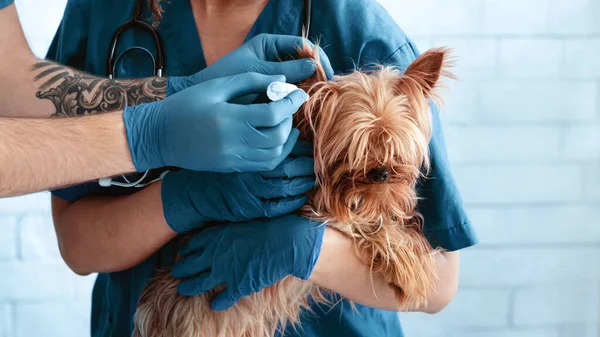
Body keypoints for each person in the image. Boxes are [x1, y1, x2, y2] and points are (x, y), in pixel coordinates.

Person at [48, 1, 478, 336]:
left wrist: (304, 249)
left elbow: (438, 283)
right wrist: (183, 198)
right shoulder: (103, 11)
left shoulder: (360, 32)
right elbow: (77, 245)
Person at [0, 0, 321, 197]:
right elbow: (76, 240)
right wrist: (149, 137)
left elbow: (9, 80)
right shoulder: (102, 9)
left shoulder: (353, 21)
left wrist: (175, 92)